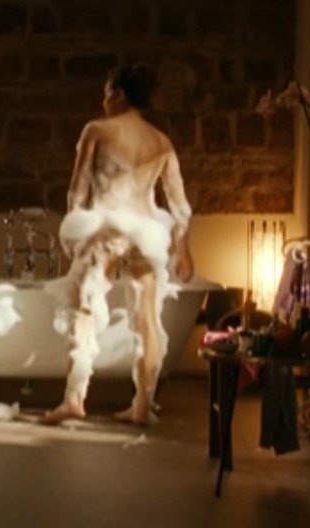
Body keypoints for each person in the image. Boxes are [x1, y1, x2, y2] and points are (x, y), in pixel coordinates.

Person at [41, 64, 195, 426]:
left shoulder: (97, 130)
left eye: (106, 95)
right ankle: (143, 405)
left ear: (119, 95)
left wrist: (73, 234)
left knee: (83, 310)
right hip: (146, 236)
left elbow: (77, 190)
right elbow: (179, 205)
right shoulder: (161, 142)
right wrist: (183, 249)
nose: (103, 102)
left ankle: (74, 399)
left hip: (105, 232)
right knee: (147, 321)